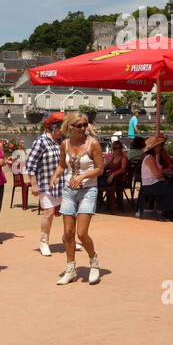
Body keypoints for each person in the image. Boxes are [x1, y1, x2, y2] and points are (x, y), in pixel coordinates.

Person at [50, 112, 104, 286]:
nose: (82, 128)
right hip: (69, 191)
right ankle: (70, 269)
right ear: (70, 127)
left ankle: (93, 261)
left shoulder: (93, 144)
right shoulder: (65, 143)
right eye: (79, 125)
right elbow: (62, 165)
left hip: (88, 190)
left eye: (85, 124)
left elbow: (100, 169)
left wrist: (82, 177)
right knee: (67, 234)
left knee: (81, 233)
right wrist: (55, 176)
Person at [24, 112, 66, 257]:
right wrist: (33, 184)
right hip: (46, 183)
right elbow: (30, 164)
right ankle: (44, 242)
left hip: (63, 183)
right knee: (48, 213)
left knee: (68, 212)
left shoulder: (63, 141)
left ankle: (67, 238)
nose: (64, 133)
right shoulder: (41, 141)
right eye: (62, 130)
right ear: (53, 128)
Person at [99, 138, 128, 212]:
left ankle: (107, 204)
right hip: (111, 177)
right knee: (96, 178)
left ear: (122, 148)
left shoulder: (123, 157)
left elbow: (123, 169)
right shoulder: (113, 157)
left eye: (119, 147)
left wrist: (112, 175)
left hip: (119, 179)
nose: (117, 149)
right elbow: (104, 166)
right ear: (113, 149)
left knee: (100, 180)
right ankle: (99, 201)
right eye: (115, 148)